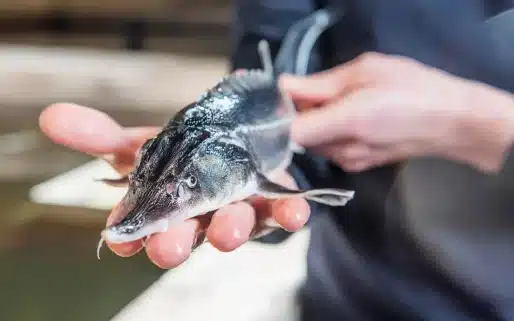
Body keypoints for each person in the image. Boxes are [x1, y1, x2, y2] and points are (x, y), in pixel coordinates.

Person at [38, 1, 514, 320]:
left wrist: (481, 127)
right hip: (353, 295)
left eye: (179, 190)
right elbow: (276, 22)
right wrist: (303, 162)